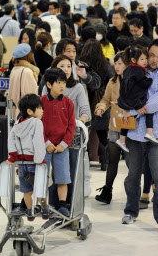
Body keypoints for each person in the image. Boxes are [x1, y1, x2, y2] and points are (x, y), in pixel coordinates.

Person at [121, 39, 158, 233]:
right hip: (134, 133)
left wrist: (133, 111)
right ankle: (130, 211)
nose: (154, 60)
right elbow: (125, 94)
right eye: (151, 55)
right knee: (132, 176)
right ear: (147, 53)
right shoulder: (137, 69)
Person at [42, 55, 91, 203]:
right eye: (62, 66)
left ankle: (68, 206)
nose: (66, 69)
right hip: (49, 140)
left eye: (69, 66)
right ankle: (49, 205)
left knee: (68, 175)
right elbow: (42, 116)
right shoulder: (46, 88)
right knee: (48, 174)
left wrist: (75, 123)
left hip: (71, 138)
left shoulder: (77, 88)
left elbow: (86, 112)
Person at [94, 52, 130, 203]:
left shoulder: (134, 81)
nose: (117, 66)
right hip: (115, 125)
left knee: (133, 163)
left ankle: (140, 192)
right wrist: (101, 107)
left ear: (128, 64)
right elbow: (106, 98)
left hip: (131, 127)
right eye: (115, 63)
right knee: (112, 159)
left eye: (120, 63)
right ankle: (107, 191)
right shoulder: (112, 81)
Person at [7, 94, 47, 221]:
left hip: (21, 162)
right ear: (30, 111)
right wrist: (40, 160)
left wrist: (13, 156)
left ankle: (30, 213)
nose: (42, 111)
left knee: (26, 191)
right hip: (34, 162)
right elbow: (38, 142)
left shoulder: (18, 123)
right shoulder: (37, 123)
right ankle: (45, 211)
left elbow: (11, 140)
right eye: (40, 108)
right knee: (40, 188)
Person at [41, 68, 76, 216]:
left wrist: (64, 144)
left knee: (63, 177)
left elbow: (71, 125)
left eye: (64, 82)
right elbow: (38, 124)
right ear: (49, 84)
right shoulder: (41, 101)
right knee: (42, 177)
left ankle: (62, 205)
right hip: (45, 146)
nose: (62, 86)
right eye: (58, 83)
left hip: (62, 147)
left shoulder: (68, 102)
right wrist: (45, 142)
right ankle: (44, 206)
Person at [79, 39, 114, 170]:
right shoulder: (105, 65)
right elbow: (112, 81)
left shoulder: (81, 65)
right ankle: (104, 161)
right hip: (101, 102)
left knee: (84, 132)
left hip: (85, 100)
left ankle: (85, 159)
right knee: (102, 135)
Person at [116, 45, 158, 153]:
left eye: (145, 58)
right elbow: (143, 84)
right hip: (135, 99)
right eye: (142, 59)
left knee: (127, 117)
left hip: (125, 99)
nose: (145, 61)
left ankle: (122, 139)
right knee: (148, 110)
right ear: (134, 60)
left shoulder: (128, 69)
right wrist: (149, 80)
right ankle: (149, 132)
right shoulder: (139, 71)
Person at [8, 43, 39, 120]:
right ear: (26, 56)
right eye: (30, 53)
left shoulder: (15, 69)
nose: (32, 55)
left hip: (13, 110)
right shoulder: (26, 71)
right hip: (24, 114)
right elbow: (32, 94)